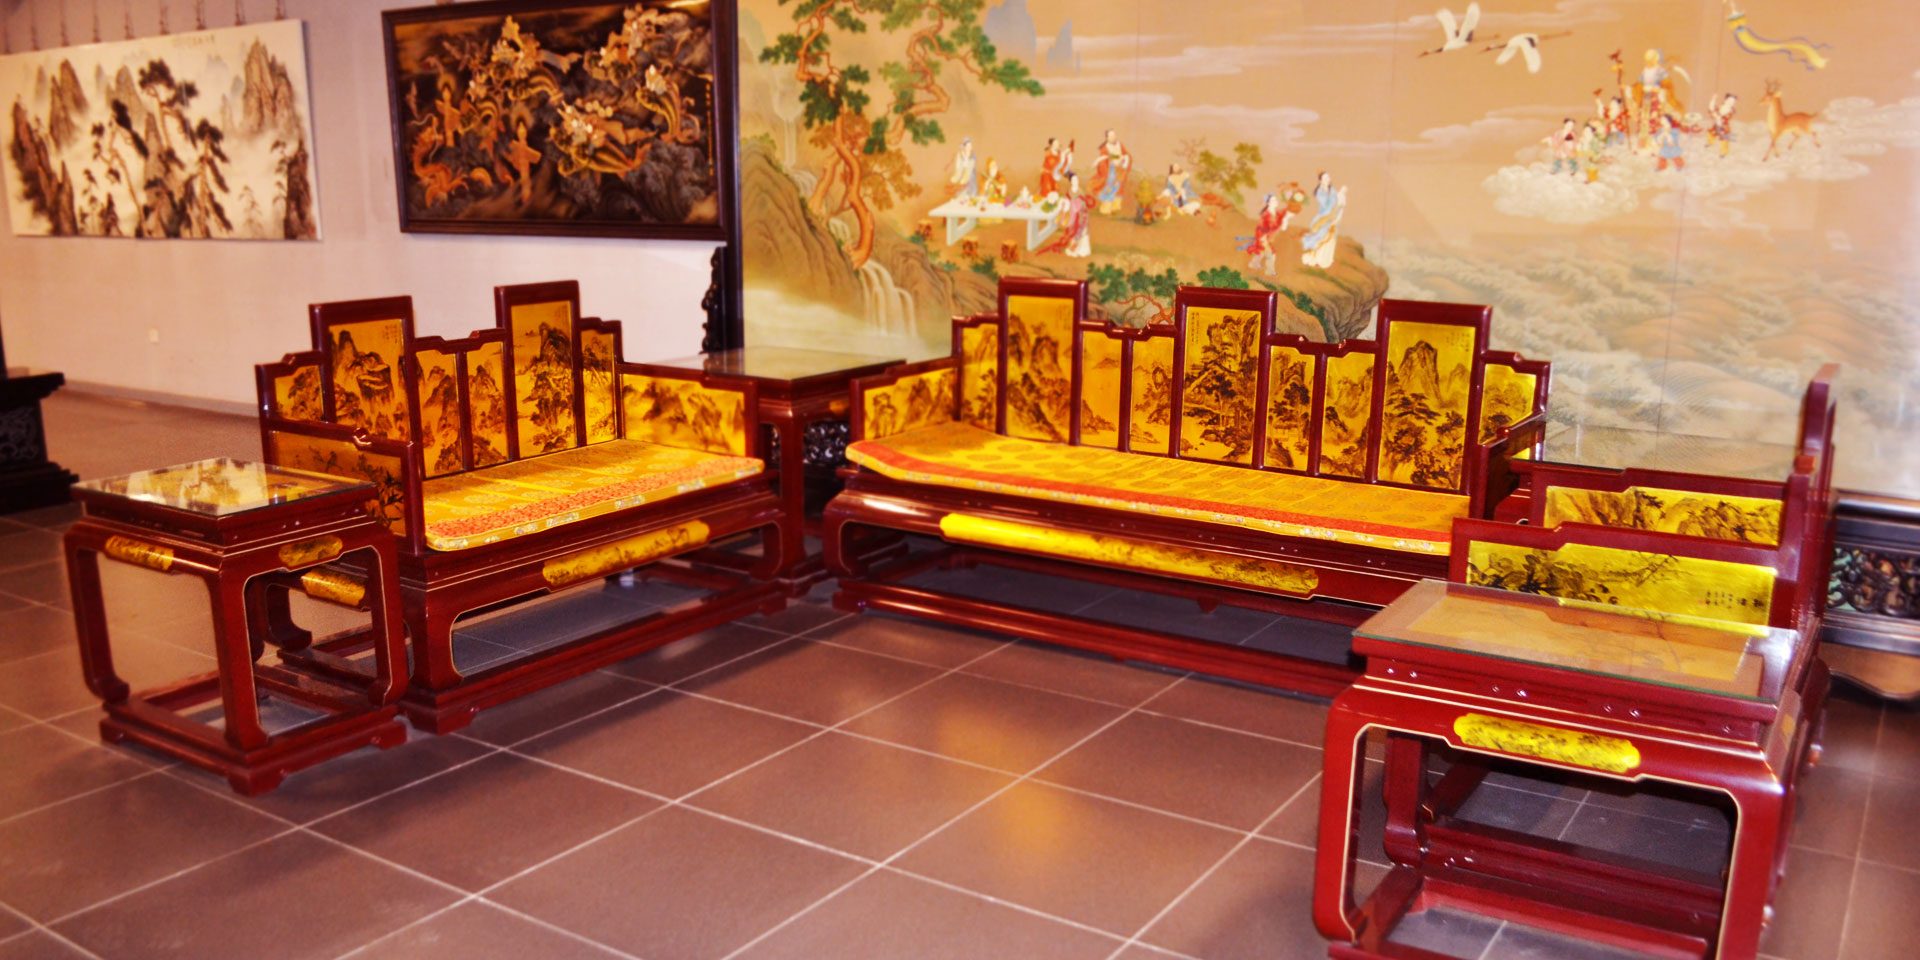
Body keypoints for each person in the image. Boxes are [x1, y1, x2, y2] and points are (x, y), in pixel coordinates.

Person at [1299, 172, 1346, 270]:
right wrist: (1337, 200)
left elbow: (1337, 201)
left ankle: (1327, 259)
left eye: (1328, 177)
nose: (1327, 179)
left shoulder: (1332, 190)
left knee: (1331, 237)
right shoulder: (1320, 192)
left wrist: (1340, 196)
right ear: (1320, 181)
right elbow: (1326, 207)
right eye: (1325, 178)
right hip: (1323, 217)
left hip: (1332, 216)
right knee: (1321, 236)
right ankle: (1317, 259)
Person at [1040, 172, 1092, 258]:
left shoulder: (1080, 191)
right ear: (1071, 181)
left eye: (1076, 179)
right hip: (1072, 213)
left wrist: (1073, 204)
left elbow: (1082, 202)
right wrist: (1064, 202)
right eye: (1073, 180)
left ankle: (1081, 249)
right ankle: (1074, 247)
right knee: (1072, 229)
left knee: (1081, 230)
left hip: (1081, 213)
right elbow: (1066, 199)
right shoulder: (1070, 191)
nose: (1075, 181)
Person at [1240, 193, 1290, 276]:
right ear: (1268, 203)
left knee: (1261, 252)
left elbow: (1281, 213)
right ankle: (1269, 271)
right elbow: (1273, 227)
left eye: (1276, 200)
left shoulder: (1273, 211)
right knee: (1270, 254)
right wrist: (1283, 223)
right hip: (1263, 237)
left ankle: (1253, 265)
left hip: (1266, 236)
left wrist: (1288, 209)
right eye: (1273, 200)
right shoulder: (1267, 215)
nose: (1276, 201)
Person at [1089, 129, 1131, 215]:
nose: (1113, 137)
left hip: (1119, 170)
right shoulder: (1106, 147)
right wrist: (1118, 157)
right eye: (1111, 136)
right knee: (1109, 187)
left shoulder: (1120, 144)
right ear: (1107, 138)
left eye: (1114, 135)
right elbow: (1104, 159)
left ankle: (1115, 206)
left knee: (1118, 187)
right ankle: (1105, 208)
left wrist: (1124, 161)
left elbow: (1126, 155)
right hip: (1110, 171)